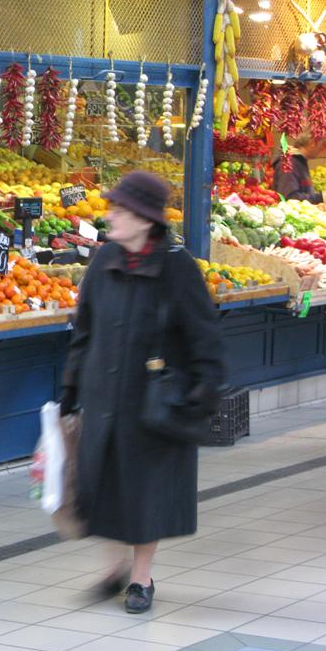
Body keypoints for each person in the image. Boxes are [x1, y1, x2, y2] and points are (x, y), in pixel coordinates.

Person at [58, 170, 226, 614]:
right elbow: (84, 329)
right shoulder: (104, 260)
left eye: (119, 209)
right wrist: (71, 386)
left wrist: (203, 389)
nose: (110, 216)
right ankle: (114, 567)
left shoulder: (177, 267)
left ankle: (140, 577)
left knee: (145, 491)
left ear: (145, 219)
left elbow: (205, 335)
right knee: (103, 483)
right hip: (103, 395)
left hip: (153, 402)